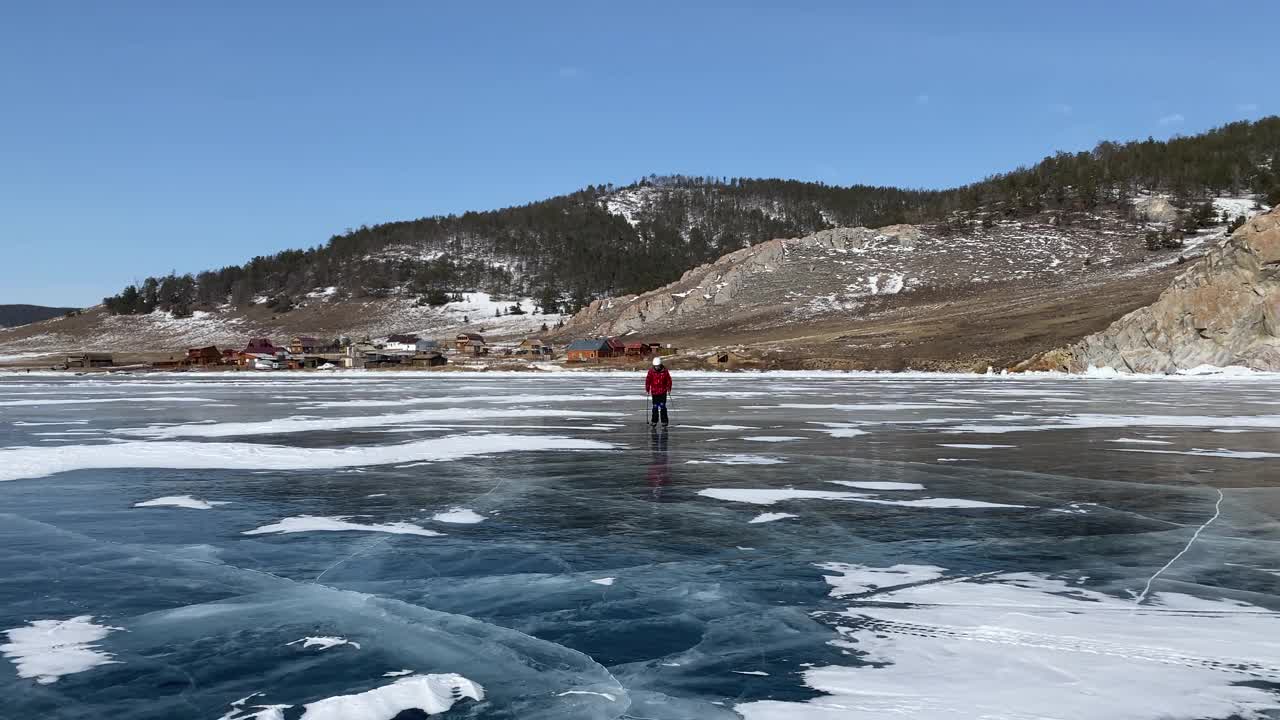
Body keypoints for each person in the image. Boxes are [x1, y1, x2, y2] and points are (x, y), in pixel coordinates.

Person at [645, 356, 672, 426]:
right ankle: (654, 421)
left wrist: (669, 388)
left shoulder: (665, 371)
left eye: (658, 366)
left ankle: (664, 421)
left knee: (662, 406)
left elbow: (669, 380)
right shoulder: (651, 372)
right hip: (654, 392)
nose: (657, 367)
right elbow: (648, 380)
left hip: (663, 392)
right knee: (655, 407)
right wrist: (647, 389)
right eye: (655, 366)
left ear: (660, 365)